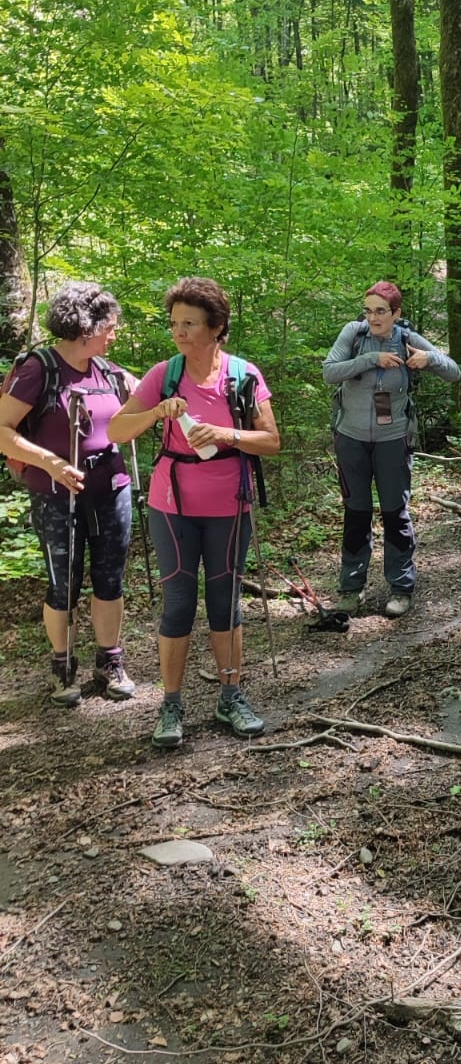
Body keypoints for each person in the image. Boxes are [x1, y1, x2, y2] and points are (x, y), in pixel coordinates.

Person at [108, 278, 281, 747]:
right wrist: (156, 412)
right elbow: (117, 430)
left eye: (189, 324)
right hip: (172, 505)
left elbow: (271, 441)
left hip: (230, 504)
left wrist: (226, 435)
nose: (179, 332)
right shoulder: (164, 374)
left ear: (217, 327)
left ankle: (230, 697)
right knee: (179, 603)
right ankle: (171, 704)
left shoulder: (243, 375)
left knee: (225, 601)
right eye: (174, 323)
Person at [0, 282, 138, 705]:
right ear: (85, 328)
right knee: (64, 582)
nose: (114, 333)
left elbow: (150, 398)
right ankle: (62, 666)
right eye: (109, 326)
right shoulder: (39, 369)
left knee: (110, 578)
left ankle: (109, 660)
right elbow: (2, 431)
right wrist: (51, 463)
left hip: (110, 489)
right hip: (56, 494)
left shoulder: (108, 372)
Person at [322, 282, 460, 619]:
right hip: (351, 437)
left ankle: (401, 587)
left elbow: (454, 372)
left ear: (396, 313)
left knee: (395, 512)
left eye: (380, 311)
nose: (373, 318)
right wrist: (371, 359)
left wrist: (429, 358)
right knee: (356, 512)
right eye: (368, 311)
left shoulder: (407, 338)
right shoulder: (354, 334)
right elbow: (329, 372)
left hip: (393, 439)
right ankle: (351, 588)